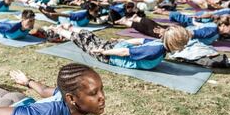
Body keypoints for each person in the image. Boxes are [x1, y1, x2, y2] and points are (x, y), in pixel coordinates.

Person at [51, 24, 189, 70]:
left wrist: (104, 51)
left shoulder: (157, 49)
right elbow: (139, 41)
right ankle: (65, 28)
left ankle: (60, 30)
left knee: (85, 40)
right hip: (115, 49)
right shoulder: (159, 48)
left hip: (112, 54)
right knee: (89, 38)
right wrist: (121, 40)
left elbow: (124, 52)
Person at [39, 2, 104, 26]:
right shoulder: (82, 15)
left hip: (72, 14)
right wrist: (52, 13)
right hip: (66, 17)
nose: (97, 13)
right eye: (96, 11)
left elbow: (99, 17)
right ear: (90, 11)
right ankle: (44, 11)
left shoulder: (92, 14)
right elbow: (67, 16)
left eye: (98, 11)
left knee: (53, 14)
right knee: (52, 17)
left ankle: (48, 9)